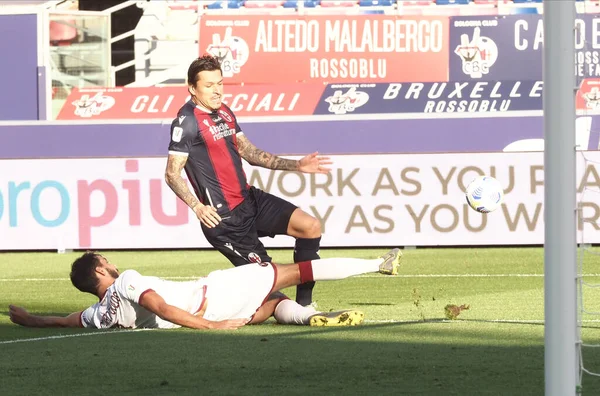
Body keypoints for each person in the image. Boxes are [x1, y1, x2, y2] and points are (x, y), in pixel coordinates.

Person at [165, 54, 332, 307]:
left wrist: (297, 165)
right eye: (209, 86)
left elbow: (251, 154)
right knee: (272, 287)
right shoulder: (186, 122)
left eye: (220, 83)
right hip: (225, 221)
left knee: (310, 227)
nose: (217, 90)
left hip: (249, 200)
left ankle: (305, 306)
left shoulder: (225, 112)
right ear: (192, 88)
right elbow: (171, 173)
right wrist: (197, 206)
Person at [8, 248, 403, 330]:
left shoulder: (99, 316)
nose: (110, 260)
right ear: (100, 268)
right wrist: (214, 328)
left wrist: (29, 320)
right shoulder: (126, 280)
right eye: (104, 259)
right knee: (292, 272)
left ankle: (312, 316)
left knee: (268, 305)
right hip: (210, 299)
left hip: (205, 314)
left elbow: (62, 321)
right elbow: (160, 307)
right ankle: (377, 264)